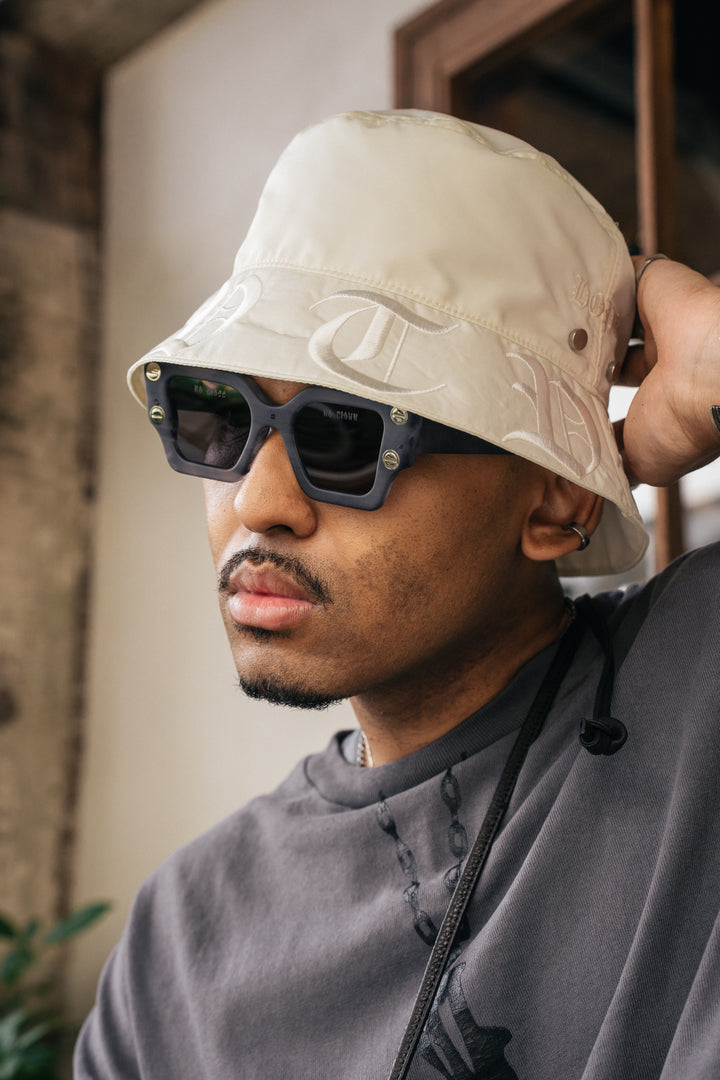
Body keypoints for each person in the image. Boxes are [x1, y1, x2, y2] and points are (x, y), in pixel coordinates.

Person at [75, 111, 720, 1080]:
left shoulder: (700, 687)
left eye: (343, 433)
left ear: (556, 499)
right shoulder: (181, 938)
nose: (257, 502)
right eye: (218, 419)